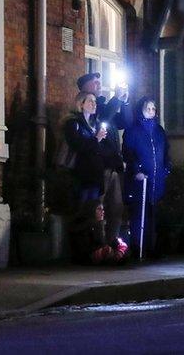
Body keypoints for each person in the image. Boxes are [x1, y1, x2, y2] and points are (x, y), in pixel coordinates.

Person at [63, 91, 127, 263]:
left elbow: (105, 148)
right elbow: (78, 145)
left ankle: (104, 247)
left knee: (105, 211)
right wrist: (96, 140)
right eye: (90, 101)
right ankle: (87, 251)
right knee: (87, 213)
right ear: (81, 103)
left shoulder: (95, 124)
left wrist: (117, 162)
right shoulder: (73, 123)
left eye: (94, 101)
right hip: (84, 176)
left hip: (98, 175)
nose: (94, 104)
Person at [122, 97, 171, 259]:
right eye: (148, 109)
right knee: (140, 213)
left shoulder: (159, 130)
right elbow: (128, 152)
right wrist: (136, 170)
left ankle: (152, 247)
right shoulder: (133, 130)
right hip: (140, 179)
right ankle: (138, 247)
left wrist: (166, 168)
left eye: (153, 109)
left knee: (154, 213)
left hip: (157, 178)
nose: (151, 112)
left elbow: (165, 151)